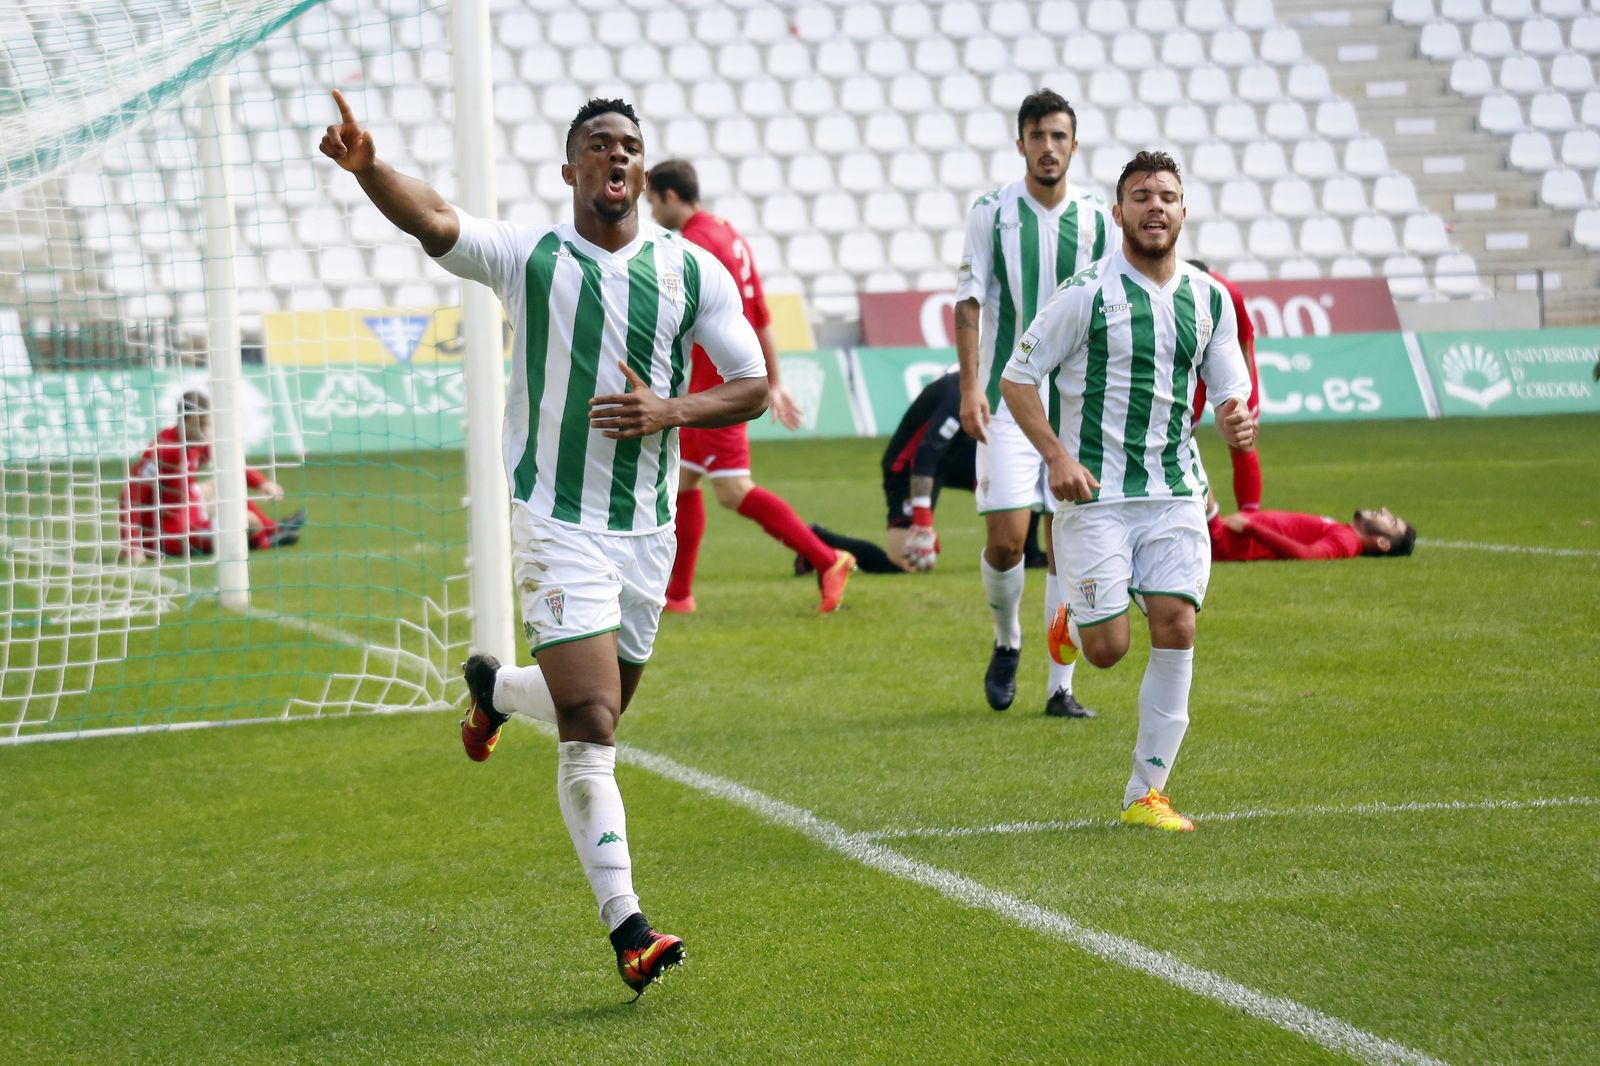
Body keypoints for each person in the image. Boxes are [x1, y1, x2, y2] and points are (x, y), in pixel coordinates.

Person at [321, 90, 769, 997]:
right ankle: (629, 929)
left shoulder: (691, 272)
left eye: (630, 147)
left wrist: (672, 409)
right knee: (592, 725)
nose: (616, 157)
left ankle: (493, 689)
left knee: (598, 704)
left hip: (646, 530)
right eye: (598, 145)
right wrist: (370, 168)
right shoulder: (529, 257)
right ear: (572, 170)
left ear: (642, 171)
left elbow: (756, 384)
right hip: (556, 522)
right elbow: (437, 218)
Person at [998, 150, 1258, 833]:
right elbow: (1017, 380)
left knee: (1178, 623)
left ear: (1183, 211)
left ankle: (1147, 794)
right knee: (1108, 649)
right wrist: (1054, 455)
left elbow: (1230, 382)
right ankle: (1069, 619)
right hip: (1096, 496)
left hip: (1174, 491)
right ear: (1118, 214)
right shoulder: (1085, 294)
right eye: (1141, 196)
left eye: (1167, 196)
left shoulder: (1210, 297)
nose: (1155, 207)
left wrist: (1235, 413)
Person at [956, 88, 1112, 721]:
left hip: (1075, 405)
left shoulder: (1101, 215)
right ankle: (1007, 639)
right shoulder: (992, 212)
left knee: (1066, 543)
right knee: (1006, 542)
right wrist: (969, 385)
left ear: (1074, 144)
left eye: (1059, 136)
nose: (1048, 147)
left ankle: (1059, 686)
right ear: (1020, 142)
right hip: (1005, 397)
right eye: (1037, 136)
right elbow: (970, 300)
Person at [643, 159, 855, 614]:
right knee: (683, 483)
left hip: (717, 385)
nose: (652, 212)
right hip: (708, 385)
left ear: (670, 196)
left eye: (652, 201)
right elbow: (759, 314)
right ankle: (678, 595)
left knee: (733, 489)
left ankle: (827, 558)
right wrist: (772, 380)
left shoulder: (696, 243)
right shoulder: (729, 235)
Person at [119, 389, 303, 559]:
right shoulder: (164, 450)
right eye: (203, 424)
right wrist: (131, 546)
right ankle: (262, 539)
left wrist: (262, 483)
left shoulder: (196, 441)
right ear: (188, 421)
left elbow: (229, 466)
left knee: (222, 484)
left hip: (185, 509)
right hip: (169, 534)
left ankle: (273, 529)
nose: (207, 429)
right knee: (249, 521)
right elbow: (130, 495)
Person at [1186, 259, 1263, 512]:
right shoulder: (1171, 290)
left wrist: (1243, 396)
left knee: (1242, 441)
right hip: (1191, 366)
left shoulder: (1227, 293)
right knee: (1181, 437)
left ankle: (1250, 519)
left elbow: (1242, 345)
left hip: (1229, 358)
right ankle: (1208, 519)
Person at [1209, 501, 1415, 561]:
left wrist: (1250, 527)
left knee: (1189, 462)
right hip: (1222, 535)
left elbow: (1305, 555)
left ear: (1383, 543)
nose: (1384, 511)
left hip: (1223, 541)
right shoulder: (1345, 533)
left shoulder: (1347, 541)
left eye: (1392, 521)